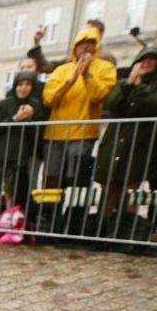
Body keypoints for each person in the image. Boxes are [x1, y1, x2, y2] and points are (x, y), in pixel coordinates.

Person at [94, 46, 157, 219]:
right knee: (109, 187)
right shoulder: (123, 82)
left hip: (139, 141)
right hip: (115, 139)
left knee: (130, 189)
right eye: (143, 59)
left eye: (151, 59)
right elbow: (112, 104)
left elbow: (154, 104)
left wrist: (137, 88)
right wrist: (129, 84)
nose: (146, 63)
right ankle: (103, 226)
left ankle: (126, 226)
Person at [41, 26, 117, 193]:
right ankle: (48, 208)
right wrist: (70, 81)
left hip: (84, 134)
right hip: (56, 134)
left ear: (96, 46)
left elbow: (100, 96)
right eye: (81, 43)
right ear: (74, 47)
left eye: (90, 42)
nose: (85, 46)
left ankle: (74, 209)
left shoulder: (106, 68)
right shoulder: (61, 70)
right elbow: (48, 98)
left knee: (75, 179)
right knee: (51, 178)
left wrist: (86, 74)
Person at [0, 70, 46, 225]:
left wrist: (30, 119)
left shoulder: (35, 106)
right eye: (20, 84)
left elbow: (37, 133)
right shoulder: (4, 104)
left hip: (18, 157)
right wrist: (15, 119)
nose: (23, 88)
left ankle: (10, 226)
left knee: (11, 193)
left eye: (27, 84)